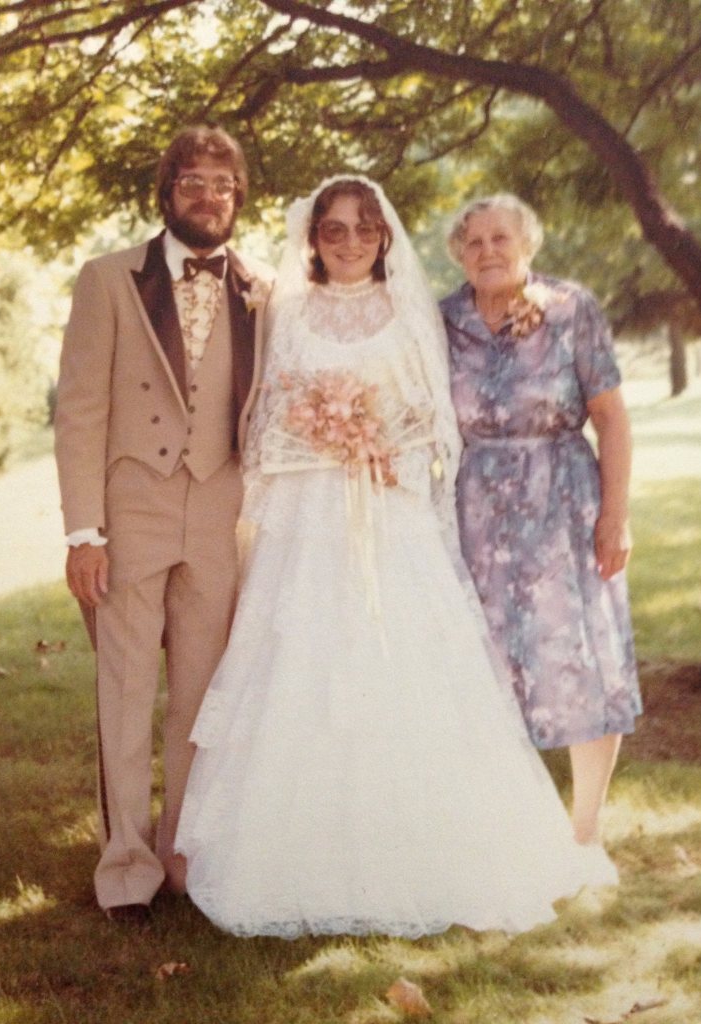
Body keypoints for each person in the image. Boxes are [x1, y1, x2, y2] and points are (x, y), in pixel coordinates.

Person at [174, 176, 617, 940]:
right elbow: (267, 415)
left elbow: (435, 422)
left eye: (364, 229)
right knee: (303, 665)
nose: (349, 242)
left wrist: (386, 452)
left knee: (402, 666)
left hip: (389, 511)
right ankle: (296, 855)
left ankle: (423, 852)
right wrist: (324, 435)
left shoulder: (409, 311)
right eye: (334, 230)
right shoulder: (289, 309)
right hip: (310, 517)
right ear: (313, 239)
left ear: (384, 238)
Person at [54, 125, 267, 924]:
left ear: (238, 197)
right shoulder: (108, 278)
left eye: (222, 184)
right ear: (167, 192)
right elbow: (80, 410)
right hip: (132, 510)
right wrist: (84, 532)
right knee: (126, 686)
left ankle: (182, 854)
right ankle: (125, 868)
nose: (208, 196)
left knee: (202, 696)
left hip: (219, 511)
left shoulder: (265, 287)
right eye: (192, 182)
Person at [440, 194, 641, 848]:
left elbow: (611, 418)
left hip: (564, 505)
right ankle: (499, 826)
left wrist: (615, 516)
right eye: (473, 243)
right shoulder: (443, 320)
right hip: (476, 514)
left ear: (527, 245)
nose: (488, 252)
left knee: (581, 656)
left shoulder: (571, 308)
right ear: (459, 256)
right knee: (486, 663)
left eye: (501, 238)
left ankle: (584, 831)